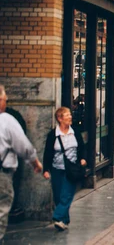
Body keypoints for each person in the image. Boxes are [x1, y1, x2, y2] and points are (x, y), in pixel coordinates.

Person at [0, 86, 43, 241]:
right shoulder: (6, 120)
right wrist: (35, 162)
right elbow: (23, 146)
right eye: (5, 99)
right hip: (2, 175)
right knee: (1, 211)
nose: (6, 102)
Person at [42, 107, 86, 231]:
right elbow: (48, 152)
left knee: (67, 195)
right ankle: (64, 220)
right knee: (58, 196)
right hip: (57, 168)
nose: (70, 117)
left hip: (72, 169)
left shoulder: (75, 132)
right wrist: (46, 169)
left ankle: (57, 216)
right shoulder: (53, 135)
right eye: (67, 115)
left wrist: (83, 158)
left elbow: (82, 147)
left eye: (70, 114)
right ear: (60, 118)